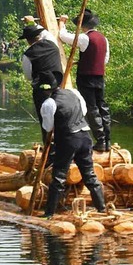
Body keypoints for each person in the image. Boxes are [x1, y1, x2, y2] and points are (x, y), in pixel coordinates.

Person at [38, 73, 106, 217]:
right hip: (85, 136)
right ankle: (102, 208)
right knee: (90, 175)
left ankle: (49, 214)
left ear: (44, 90)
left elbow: (48, 127)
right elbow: (84, 110)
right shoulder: (74, 93)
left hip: (69, 140)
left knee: (58, 177)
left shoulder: (49, 103)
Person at [59, 9, 111, 152]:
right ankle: (107, 140)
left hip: (86, 77)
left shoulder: (84, 38)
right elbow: (104, 60)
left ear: (83, 26)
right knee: (102, 107)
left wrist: (62, 23)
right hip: (99, 76)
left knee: (92, 108)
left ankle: (100, 140)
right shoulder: (103, 39)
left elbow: (63, 36)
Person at [19, 18, 63, 140]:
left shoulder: (28, 54)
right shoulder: (52, 44)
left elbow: (28, 76)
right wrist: (32, 23)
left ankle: (49, 149)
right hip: (58, 88)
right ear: (39, 36)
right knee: (60, 117)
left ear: (28, 41)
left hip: (41, 91)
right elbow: (46, 33)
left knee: (46, 120)